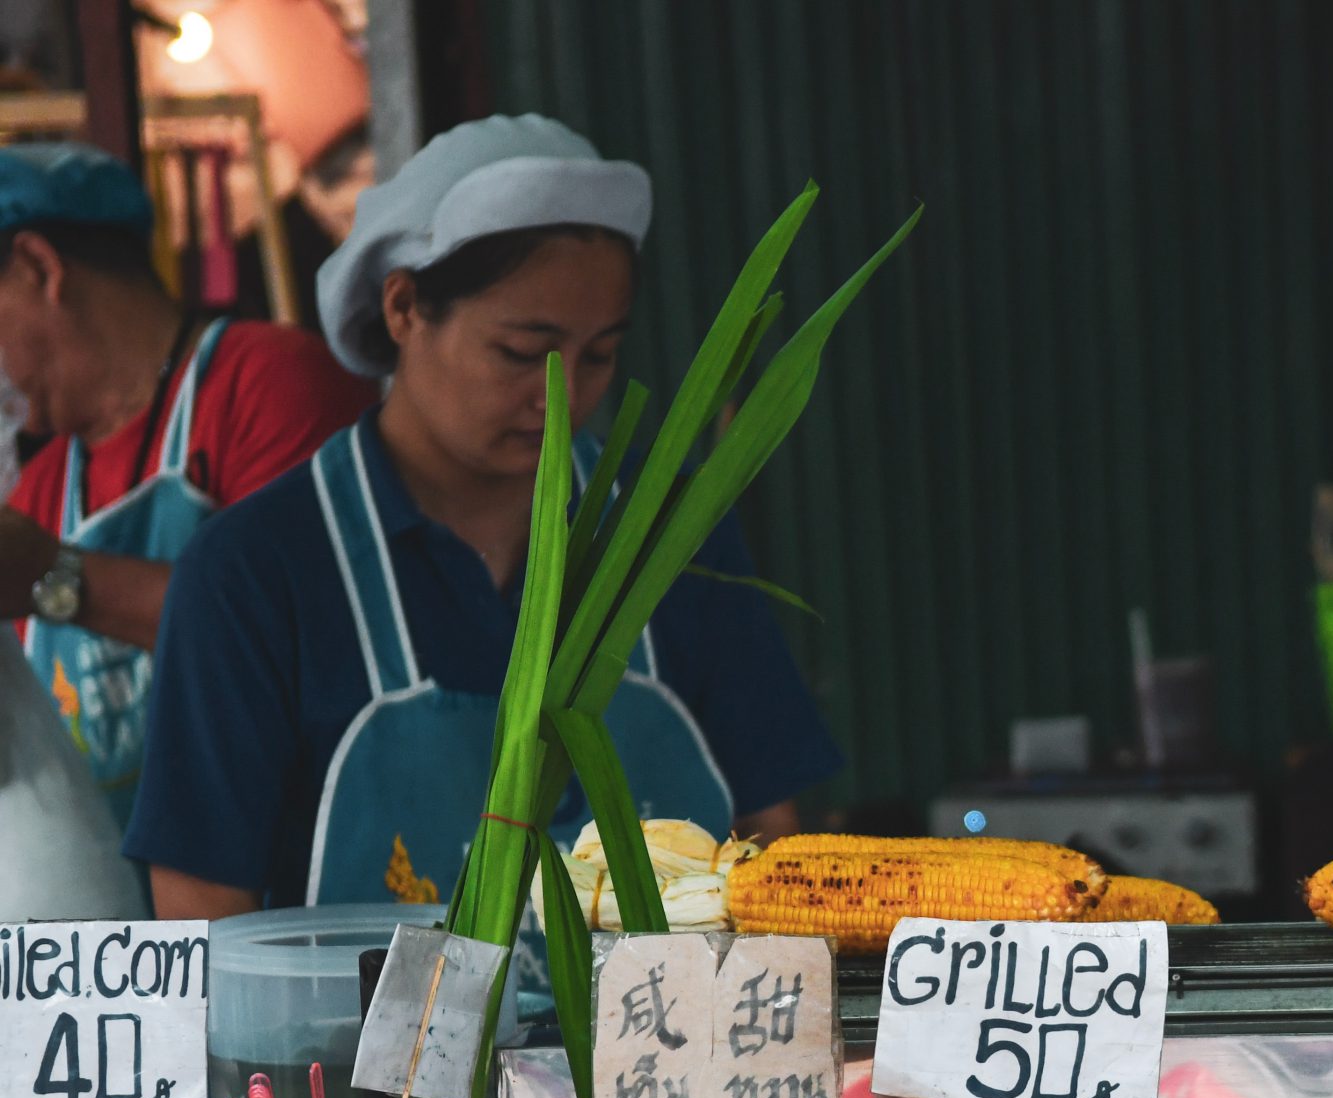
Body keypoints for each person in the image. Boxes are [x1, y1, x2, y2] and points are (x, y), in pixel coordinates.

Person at [127, 114, 840, 920]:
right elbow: (199, 915)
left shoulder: (667, 531)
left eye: (599, 354)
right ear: (403, 308)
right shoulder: (254, 572)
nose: (564, 394)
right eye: (522, 352)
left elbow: (774, 840)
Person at [0, 143, 376, 828]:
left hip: (276, 896)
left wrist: (49, 575)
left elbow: (299, 636)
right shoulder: (43, 485)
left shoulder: (271, 384)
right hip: (111, 921)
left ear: (37, 267)